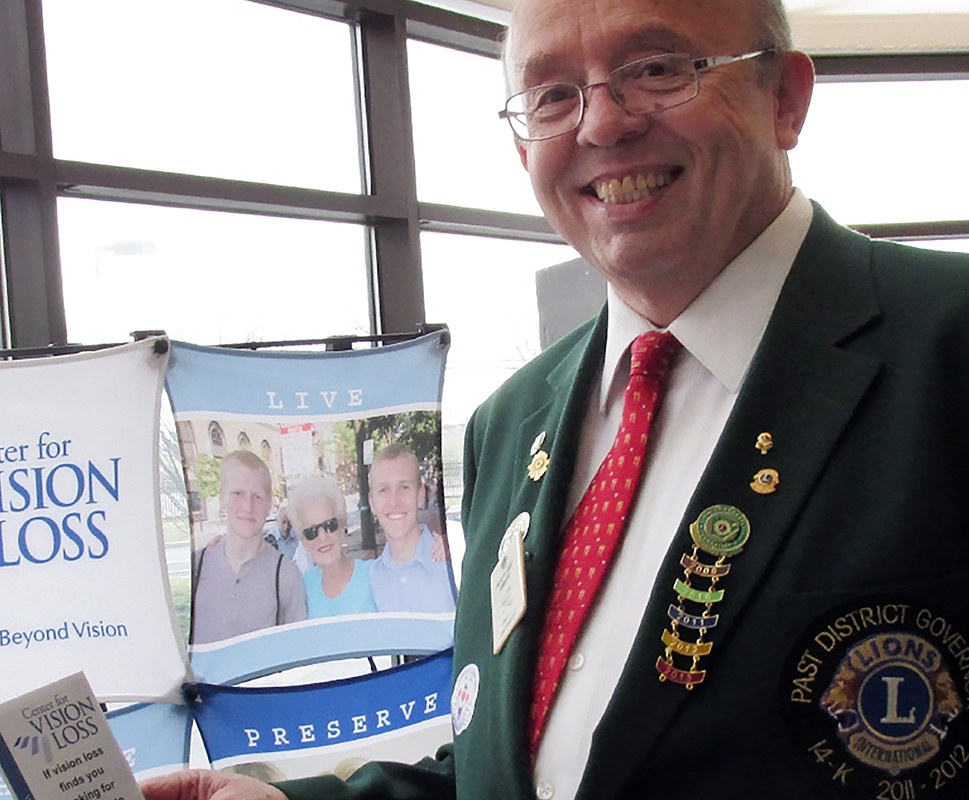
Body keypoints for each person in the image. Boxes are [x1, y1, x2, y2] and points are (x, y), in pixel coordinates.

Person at [146, 0, 969, 796]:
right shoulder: (512, 422)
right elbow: (521, 765)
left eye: (656, 68)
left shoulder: (947, 349)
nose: (602, 125)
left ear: (784, 99)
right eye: (552, 95)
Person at [190, 451, 306, 644]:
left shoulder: (285, 575)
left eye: (257, 497)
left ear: (270, 504)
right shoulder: (195, 567)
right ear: (222, 496)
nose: (247, 507)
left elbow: (296, 650)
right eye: (237, 493)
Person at [366, 444, 456, 614]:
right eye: (383, 490)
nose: (394, 501)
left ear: (420, 496)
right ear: (372, 503)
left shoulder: (452, 561)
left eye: (404, 487)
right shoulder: (373, 578)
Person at [289, 474, 377, 618]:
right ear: (304, 542)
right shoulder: (302, 587)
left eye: (330, 525)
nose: (322, 537)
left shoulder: (374, 574)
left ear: (342, 527)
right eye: (311, 532)